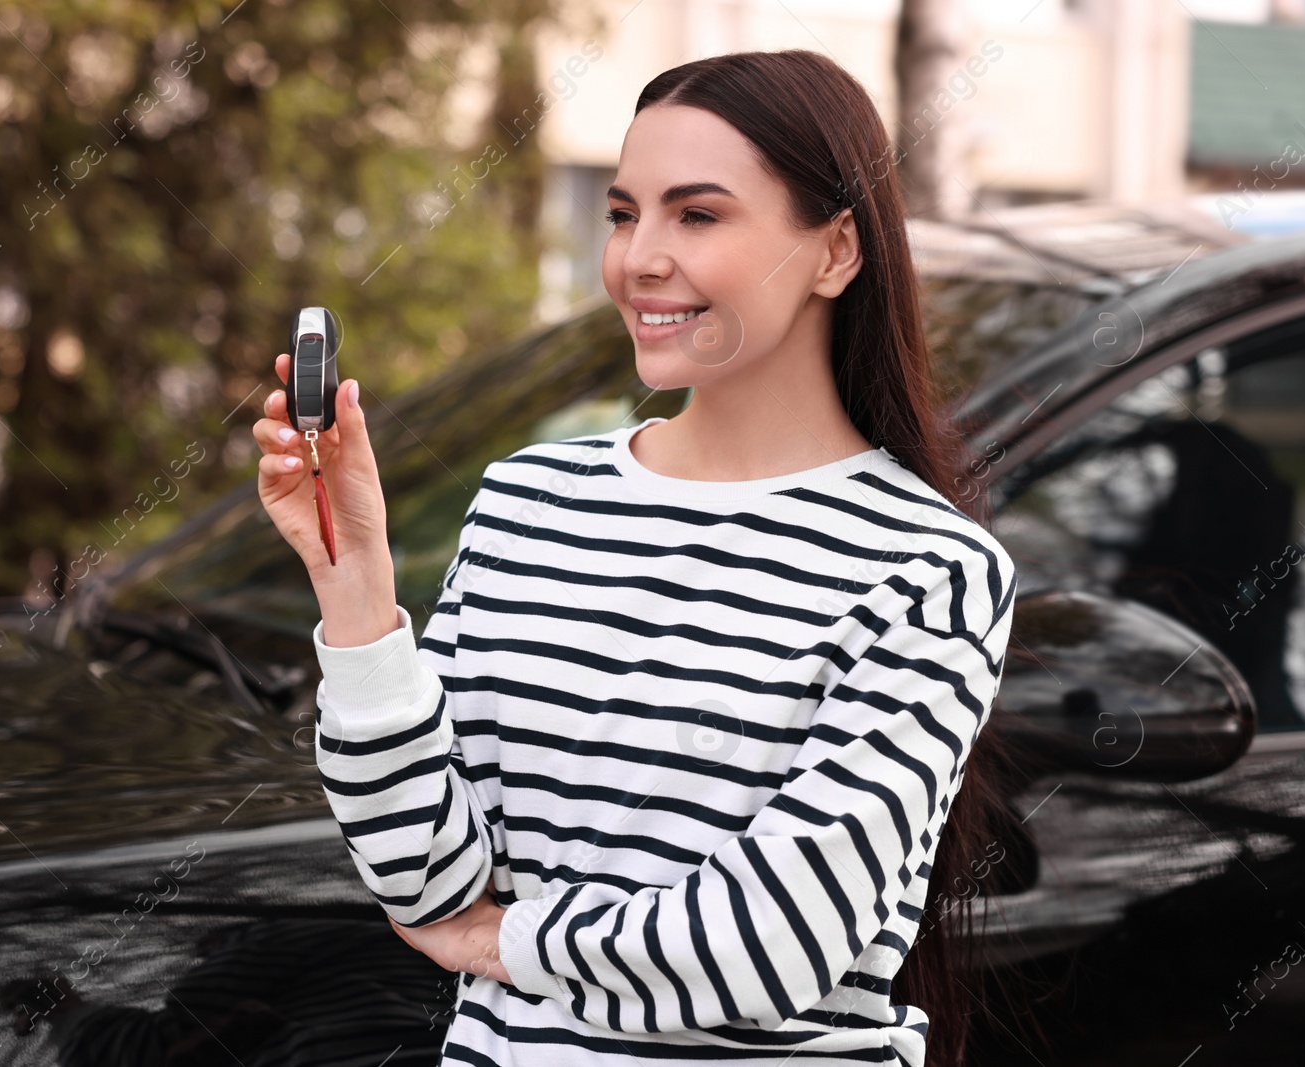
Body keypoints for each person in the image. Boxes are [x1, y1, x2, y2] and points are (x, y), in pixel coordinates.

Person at [254, 49, 1018, 1067]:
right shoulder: (531, 499)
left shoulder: (928, 568)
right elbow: (427, 881)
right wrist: (354, 594)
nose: (638, 258)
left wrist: (506, 940)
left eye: (696, 215)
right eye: (622, 213)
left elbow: (775, 936)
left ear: (836, 250)